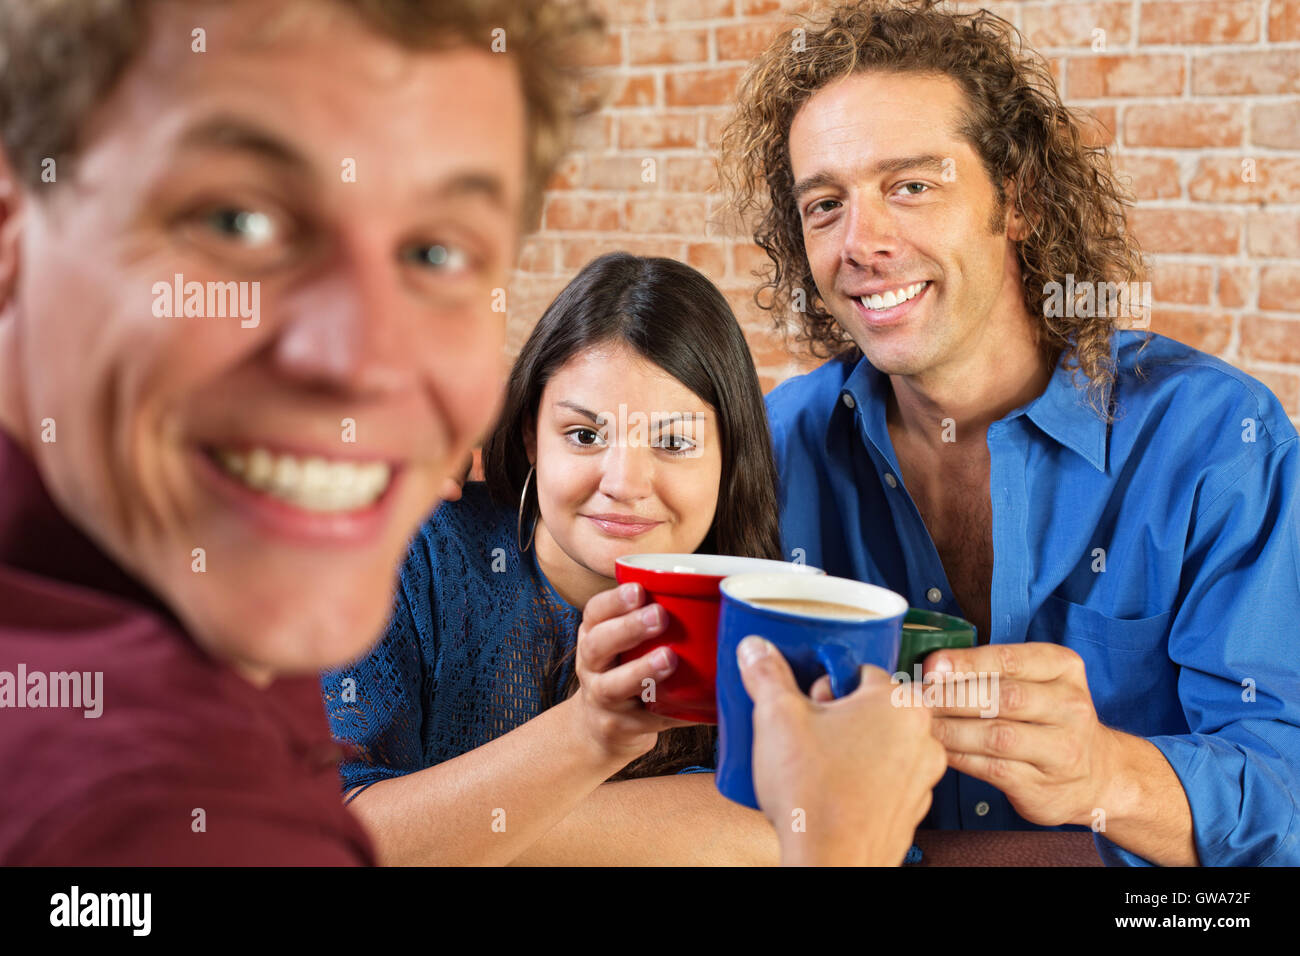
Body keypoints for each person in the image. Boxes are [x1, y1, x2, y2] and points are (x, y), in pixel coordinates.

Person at [0, 0, 940, 867]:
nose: (364, 364)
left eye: (434, 253)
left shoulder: (234, 616)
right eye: (237, 220)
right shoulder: (133, 789)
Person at [720, 0, 1300, 867]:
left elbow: (1286, 794)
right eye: (825, 204)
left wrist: (1110, 774)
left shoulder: (1218, 444)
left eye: (911, 185)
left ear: (1019, 199)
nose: (861, 242)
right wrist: (502, 495)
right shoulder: (778, 447)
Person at [321, 252, 785, 865]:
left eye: (673, 441)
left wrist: (456, 838)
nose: (624, 481)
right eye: (585, 435)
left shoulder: (772, 615)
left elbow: (826, 831)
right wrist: (591, 735)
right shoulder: (418, 557)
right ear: (530, 437)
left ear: (729, 458)